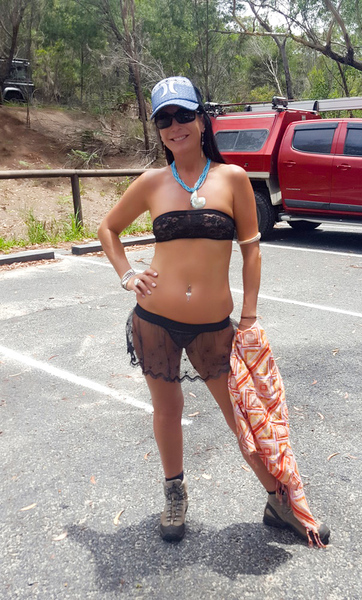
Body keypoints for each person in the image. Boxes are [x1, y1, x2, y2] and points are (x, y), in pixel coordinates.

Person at [98, 76, 329, 546]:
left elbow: (251, 250)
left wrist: (249, 317)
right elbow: (108, 228)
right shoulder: (152, 182)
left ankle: (278, 502)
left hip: (214, 326)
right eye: (164, 119)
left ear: (202, 120)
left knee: (242, 415)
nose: (175, 126)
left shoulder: (233, 178)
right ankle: (175, 496)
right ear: (158, 129)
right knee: (167, 409)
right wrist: (127, 275)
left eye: (184, 114)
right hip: (154, 321)